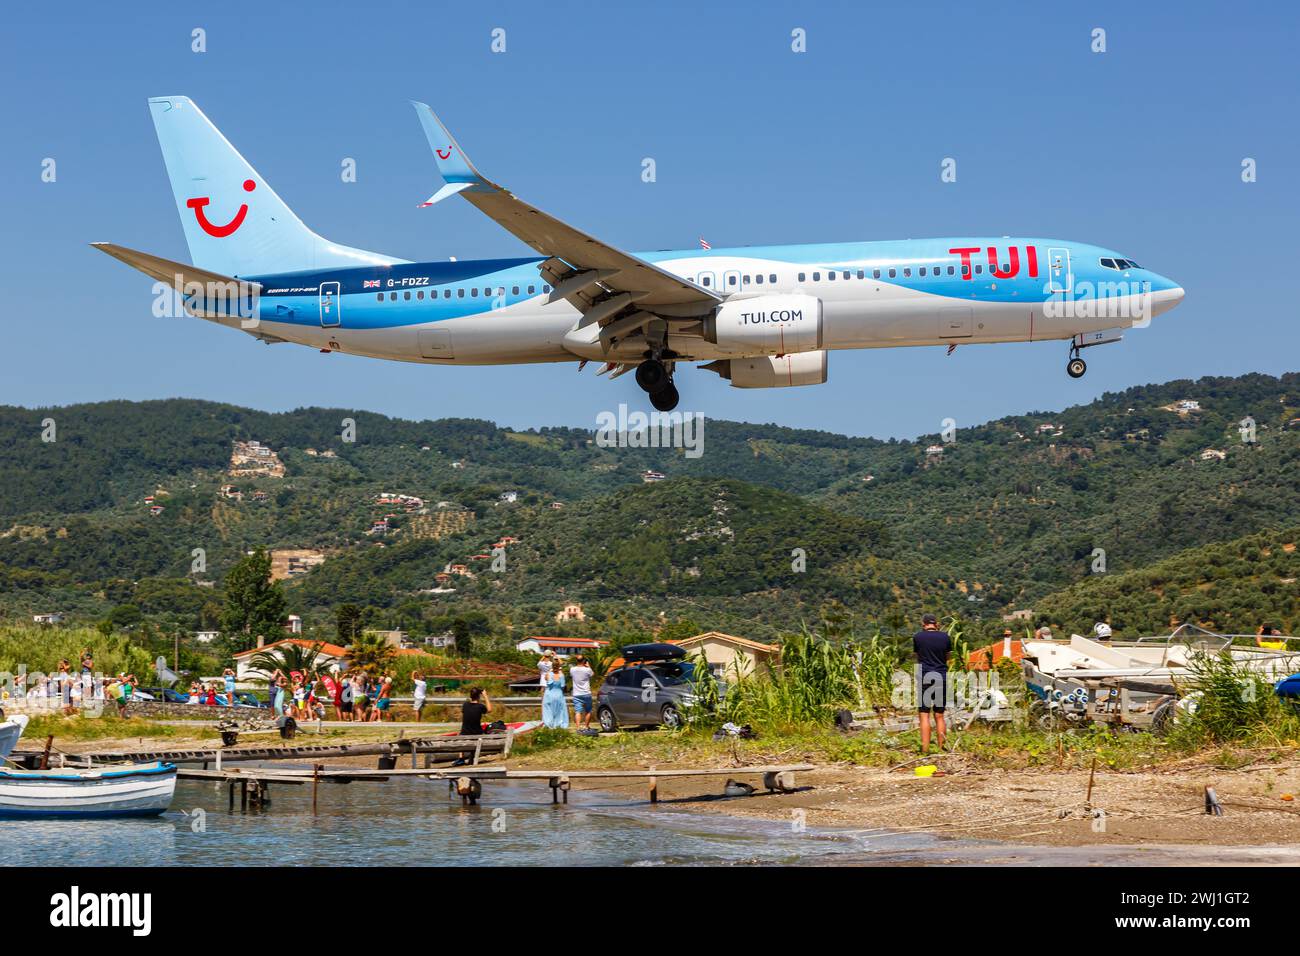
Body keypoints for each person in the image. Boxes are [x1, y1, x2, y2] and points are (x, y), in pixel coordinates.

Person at [913, 613, 951, 755]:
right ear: (936, 624)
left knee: (924, 714)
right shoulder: (945, 637)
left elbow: (918, 657)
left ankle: (925, 750)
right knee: (939, 715)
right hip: (941, 676)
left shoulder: (918, 637)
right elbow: (947, 657)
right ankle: (941, 749)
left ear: (923, 624)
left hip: (925, 676)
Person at [569, 655, 595, 732]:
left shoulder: (572, 669)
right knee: (588, 711)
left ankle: (578, 727)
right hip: (586, 693)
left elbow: (572, 676)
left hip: (576, 693)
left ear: (576, 661)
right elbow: (592, 674)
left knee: (578, 711)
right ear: (584, 661)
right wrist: (588, 666)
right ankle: (586, 726)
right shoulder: (587, 670)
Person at [542, 657, 569, 729]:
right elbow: (563, 686)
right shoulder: (561, 675)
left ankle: (549, 725)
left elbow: (546, 680)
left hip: (549, 694)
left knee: (548, 710)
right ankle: (558, 725)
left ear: (552, 666)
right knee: (560, 711)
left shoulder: (548, 674)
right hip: (559, 694)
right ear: (559, 667)